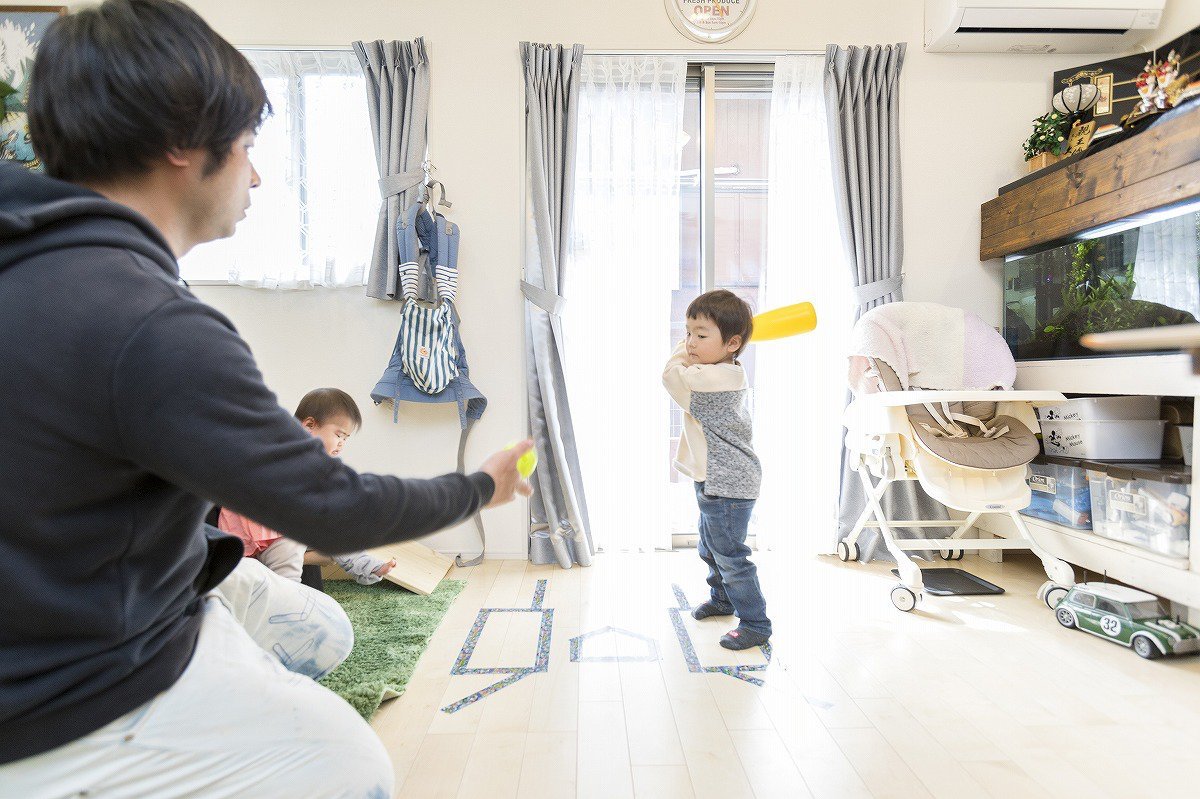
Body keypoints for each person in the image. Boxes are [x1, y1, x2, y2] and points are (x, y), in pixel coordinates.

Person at [0, 1, 531, 795]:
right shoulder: (151, 324)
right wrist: (484, 484)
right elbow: (332, 507)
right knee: (350, 766)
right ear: (183, 144)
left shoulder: (42, 257)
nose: (256, 174)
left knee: (323, 634)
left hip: (125, 594)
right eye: (247, 147)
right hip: (73, 691)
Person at [662, 290, 772, 651]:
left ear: (732, 344)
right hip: (716, 478)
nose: (690, 342)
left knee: (731, 557)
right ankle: (723, 600)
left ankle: (755, 623)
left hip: (727, 483)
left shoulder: (710, 381)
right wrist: (697, 342)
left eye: (700, 334)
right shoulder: (721, 369)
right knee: (711, 547)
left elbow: (670, 375)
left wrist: (682, 347)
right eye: (688, 332)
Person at [219, 388, 397, 585]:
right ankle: (291, 600)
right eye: (339, 435)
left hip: (284, 529)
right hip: (263, 530)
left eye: (346, 438)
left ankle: (365, 567)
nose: (341, 444)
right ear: (309, 425)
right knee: (289, 570)